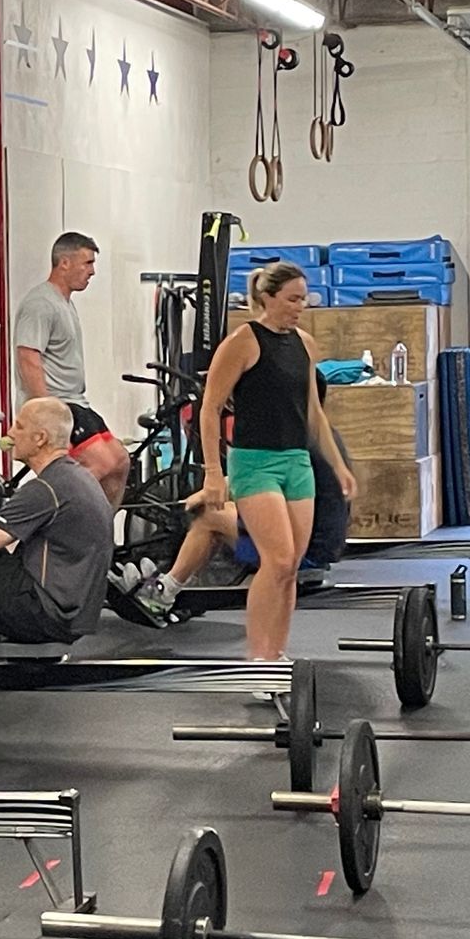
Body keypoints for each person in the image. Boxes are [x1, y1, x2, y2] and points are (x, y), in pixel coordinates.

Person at [196, 263, 355, 660]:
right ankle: (257, 658)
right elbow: (210, 407)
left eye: (304, 299)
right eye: (292, 299)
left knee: (291, 568)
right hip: (254, 463)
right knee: (277, 558)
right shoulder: (243, 341)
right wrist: (214, 473)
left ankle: (277, 655)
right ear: (268, 298)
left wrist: (337, 467)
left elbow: (315, 414)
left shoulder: (304, 343)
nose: (300, 307)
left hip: (296, 462)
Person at [130, 374, 351, 624]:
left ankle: (164, 592)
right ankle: (175, 582)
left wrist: (204, 496)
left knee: (208, 518)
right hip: (321, 543)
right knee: (224, 511)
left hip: (305, 552)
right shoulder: (321, 434)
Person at [0, 397, 114, 661]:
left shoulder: (45, 489)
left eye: (19, 426)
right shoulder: (75, 476)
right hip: (73, 614)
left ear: (40, 438)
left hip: (46, 615)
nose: (10, 433)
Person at [12, 231, 130, 507]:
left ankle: (98, 535)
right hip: (58, 405)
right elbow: (28, 358)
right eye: (86, 263)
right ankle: (44, 523)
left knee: (120, 461)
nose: (92, 271)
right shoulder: (40, 304)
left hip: (76, 403)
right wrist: (46, 412)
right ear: (64, 263)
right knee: (99, 464)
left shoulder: (63, 302)